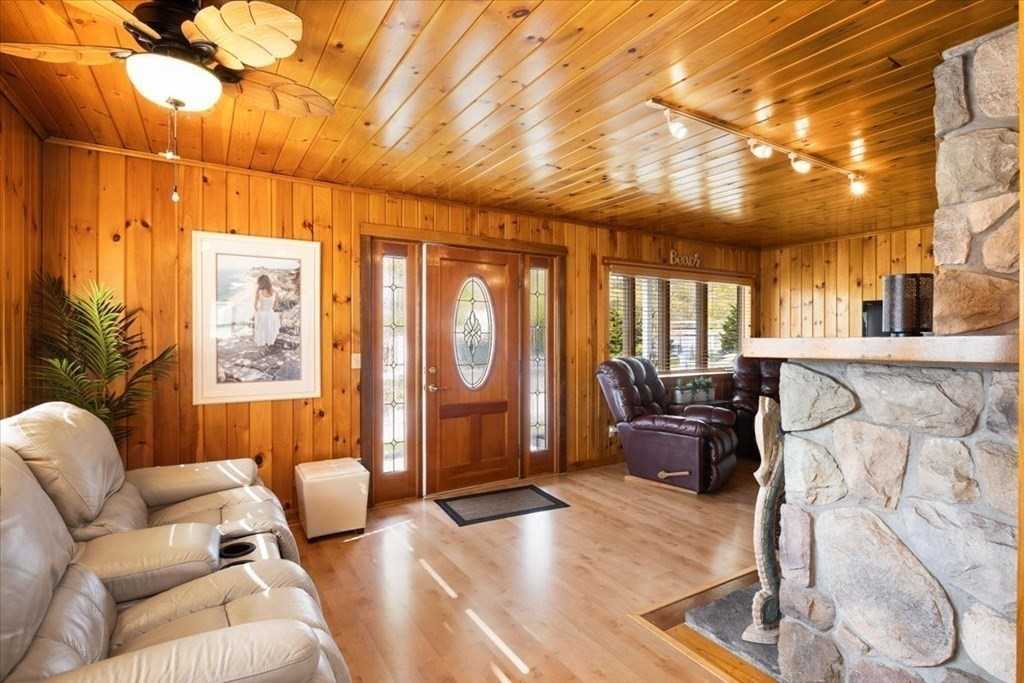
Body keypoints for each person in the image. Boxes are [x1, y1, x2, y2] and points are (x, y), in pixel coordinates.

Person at [253, 273, 280, 348]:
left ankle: (263, 348)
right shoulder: (275, 293)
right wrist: (270, 311)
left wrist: (259, 312)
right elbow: (276, 306)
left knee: (261, 332)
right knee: (269, 331)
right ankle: (267, 346)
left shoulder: (258, 292)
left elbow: (255, 306)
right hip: (270, 315)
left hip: (261, 314)